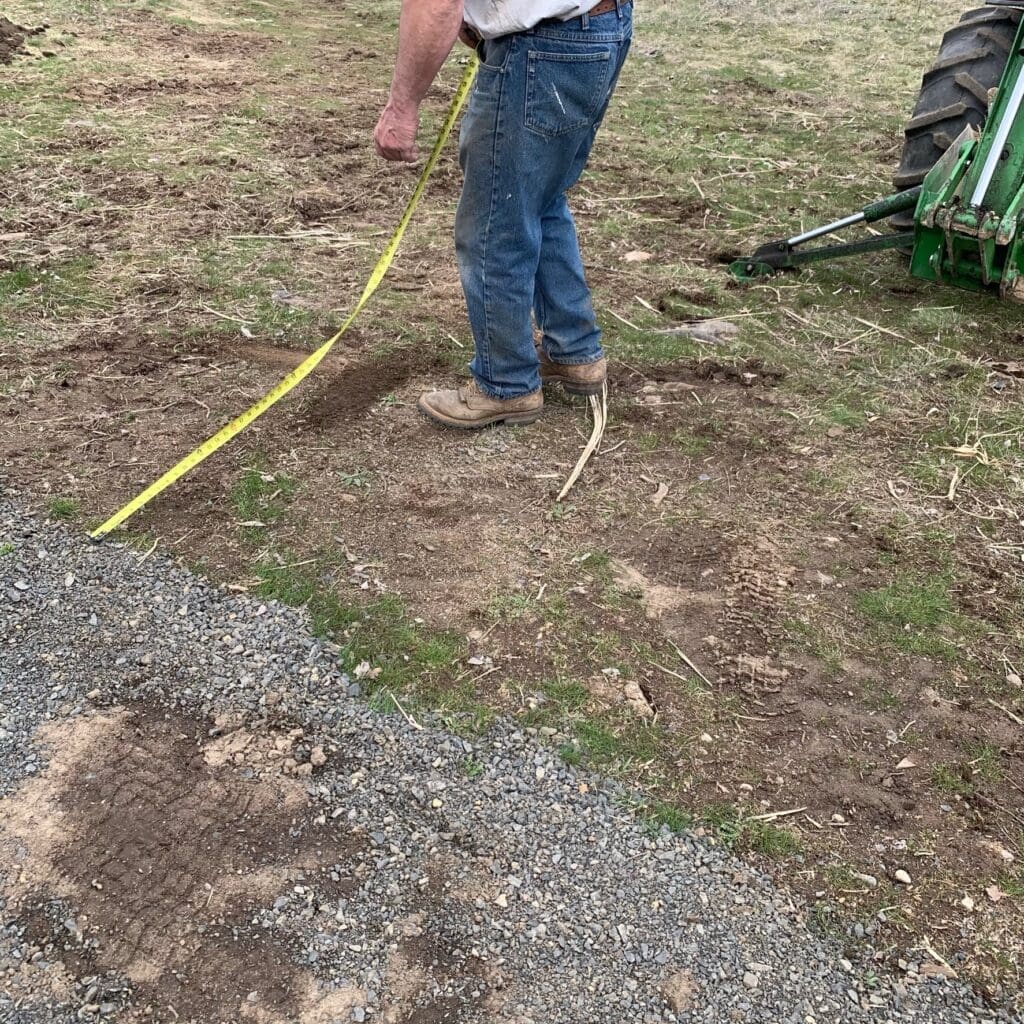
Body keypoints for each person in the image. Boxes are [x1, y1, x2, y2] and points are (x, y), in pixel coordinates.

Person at [374, 0, 632, 428]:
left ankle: (506, 383)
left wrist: (401, 109)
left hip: (541, 49)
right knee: (542, 199)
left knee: (495, 223)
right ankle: (574, 350)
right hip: (599, 27)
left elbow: (436, 5)